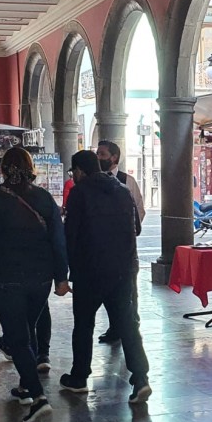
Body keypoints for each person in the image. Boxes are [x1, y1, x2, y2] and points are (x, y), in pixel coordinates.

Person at [0, 148, 70, 422]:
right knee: (27, 330)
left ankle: (37, 398)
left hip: (6, 278)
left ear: (2, 170)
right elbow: (59, 242)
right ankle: (25, 386)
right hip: (41, 279)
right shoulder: (45, 198)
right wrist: (61, 277)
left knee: (17, 338)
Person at [60, 150, 151, 404]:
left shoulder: (80, 193)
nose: (73, 176)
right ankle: (141, 377)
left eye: (73, 172)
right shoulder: (122, 190)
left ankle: (79, 377)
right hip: (122, 271)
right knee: (127, 325)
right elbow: (137, 228)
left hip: (90, 272)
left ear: (79, 170)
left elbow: (71, 235)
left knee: (84, 325)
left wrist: (65, 271)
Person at [95, 140, 145, 345]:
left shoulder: (127, 181)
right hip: (101, 248)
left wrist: (128, 233)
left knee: (129, 291)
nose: (98, 157)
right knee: (108, 291)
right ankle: (114, 327)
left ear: (114, 157)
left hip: (124, 249)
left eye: (102, 154)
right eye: (98, 154)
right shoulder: (94, 181)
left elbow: (139, 210)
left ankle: (131, 327)